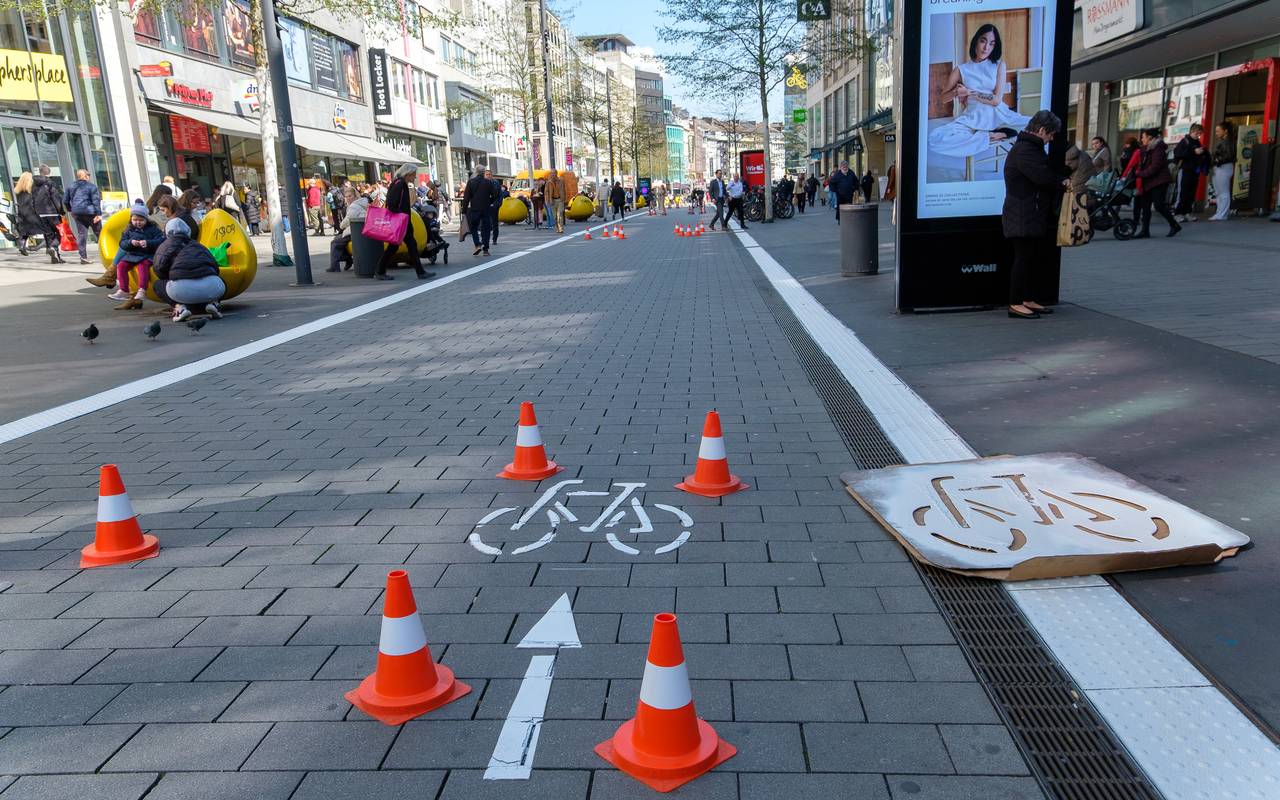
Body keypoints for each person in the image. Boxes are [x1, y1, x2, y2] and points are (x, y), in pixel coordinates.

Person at [1002, 110, 1069, 320]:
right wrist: (1062, 182)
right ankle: (1015, 303)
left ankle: (1027, 299)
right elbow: (1042, 177)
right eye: (1050, 134)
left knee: (1030, 259)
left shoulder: (1028, 148)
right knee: (1023, 259)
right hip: (1022, 213)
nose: (1051, 139)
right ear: (1041, 130)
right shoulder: (1026, 150)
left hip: (1028, 212)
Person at [927, 24, 1028, 160]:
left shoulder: (999, 65)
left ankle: (989, 134)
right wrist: (956, 92)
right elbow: (943, 98)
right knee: (935, 138)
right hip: (973, 115)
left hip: (996, 113)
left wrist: (969, 92)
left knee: (1034, 125)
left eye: (991, 44)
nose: (986, 48)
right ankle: (989, 136)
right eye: (983, 41)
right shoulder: (961, 69)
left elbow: (996, 100)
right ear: (976, 41)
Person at [152, 218, 225, 322]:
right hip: (212, 288)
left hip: (181, 290)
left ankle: (179, 308)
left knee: (158, 285)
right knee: (221, 281)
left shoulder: (164, 246)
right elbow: (215, 269)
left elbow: (159, 269)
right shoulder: (199, 245)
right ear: (188, 231)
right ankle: (214, 303)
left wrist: (171, 278)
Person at [375, 163, 433, 280]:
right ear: (408, 174)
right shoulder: (400, 184)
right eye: (413, 175)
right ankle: (380, 271)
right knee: (405, 246)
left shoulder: (398, 183)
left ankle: (419, 272)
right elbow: (391, 204)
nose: (415, 177)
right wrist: (401, 215)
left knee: (406, 246)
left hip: (402, 220)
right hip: (401, 221)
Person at [109, 202, 164, 310]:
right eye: (135, 220)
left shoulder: (153, 229)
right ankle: (123, 290)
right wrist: (131, 242)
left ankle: (142, 290)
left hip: (147, 254)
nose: (138, 222)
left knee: (142, 266)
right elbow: (122, 243)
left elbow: (160, 241)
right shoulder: (129, 230)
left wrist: (148, 243)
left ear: (146, 220)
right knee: (121, 265)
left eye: (141, 220)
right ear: (131, 219)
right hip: (133, 254)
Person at [1133, 127, 1180, 239]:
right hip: (1148, 181)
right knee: (1145, 206)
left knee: (1159, 205)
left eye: (1143, 137)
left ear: (1149, 137)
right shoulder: (1147, 148)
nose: (1141, 139)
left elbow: (1155, 166)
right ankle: (1145, 231)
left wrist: (1141, 174)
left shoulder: (1158, 148)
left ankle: (1174, 225)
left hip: (1159, 181)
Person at [1171, 124, 1209, 222]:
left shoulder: (1197, 142)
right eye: (1197, 133)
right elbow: (1178, 154)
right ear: (1192, 131)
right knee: (1182, 192)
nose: (1198, 135)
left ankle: (1187, 212)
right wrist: (1194, 151)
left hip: (1194, 171)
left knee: (1191, 193)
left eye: (1200, 134)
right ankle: (1178, 213)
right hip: (1184, 170)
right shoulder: (1184, 141)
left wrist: (1203, 153)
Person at [64, 169, 102, 264]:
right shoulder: (92, 187)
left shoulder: (71, 186)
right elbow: (96, 201)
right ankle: (105, 253)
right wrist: (98, 214)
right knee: (99, 234)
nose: (89, 176)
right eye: (88, 175)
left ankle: (83, 257)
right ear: (85, 176)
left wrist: (70, 210)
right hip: (91, 213)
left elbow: (65, 201)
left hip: (77, 213)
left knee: (82, 235)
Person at [30, 165, 66, 264]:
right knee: (58, 233)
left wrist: (35, 212)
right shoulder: (50, 183)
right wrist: (61, 211)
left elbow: (32, 199)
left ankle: (55, 257)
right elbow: (56, 198)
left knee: (48, 234)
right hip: (52, 212)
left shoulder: (34, 184)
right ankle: (53, 248)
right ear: (48, 172)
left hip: (40, 213)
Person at [327, 185, 367, 273]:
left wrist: (341, 225)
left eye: (350, 196)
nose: (348, 198)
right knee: (340, 241)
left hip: (356, 231)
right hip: (360, 229)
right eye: (346, 196)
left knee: (335, 242)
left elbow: (348, 220)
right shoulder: (361, 203)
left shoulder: (354, 206)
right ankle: (348, 259)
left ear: (355, 196)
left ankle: (335, 266)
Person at [461, 165, 498, 255]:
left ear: (476, 172)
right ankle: (486, 250)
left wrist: (464, 210)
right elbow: (495, 194)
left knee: (474, 227)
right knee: (486, 228)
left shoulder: (471, 182)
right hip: (486, 208)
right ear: (484, 172)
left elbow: (466, 198)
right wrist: (489, 201)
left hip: (475, 208)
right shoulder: (488, 182)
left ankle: (477, 245)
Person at [1209, 121, 1235, 221]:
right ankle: (1220, 213)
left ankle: (1222, 214)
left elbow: (1228, 156)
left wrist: (1217, 159)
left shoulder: (1228, 142)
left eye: (1218, 131)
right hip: (1221, 167)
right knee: (1220, 192)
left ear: (1225, 131)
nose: (1217, 133)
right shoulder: (1226, 141)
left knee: (1223, 192)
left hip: (1223, 167)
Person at [12, 172, 40, 258]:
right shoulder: (31, 190)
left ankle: (22, 245)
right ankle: (47, 247)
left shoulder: (18, 190)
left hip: (22, 212)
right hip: (30, 212)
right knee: (46, 228)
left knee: (25, 230)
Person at [488, 170, 504, 244]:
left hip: (494, 206)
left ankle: (495, 239)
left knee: (494, 223)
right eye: (486, 174)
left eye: (489, 174)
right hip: (484, 206)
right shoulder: (482, 183)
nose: (488, 176)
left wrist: (497, 204)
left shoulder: (496, 183)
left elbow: (500, 195)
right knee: (485, 223)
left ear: (492, 175)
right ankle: (485, 239)